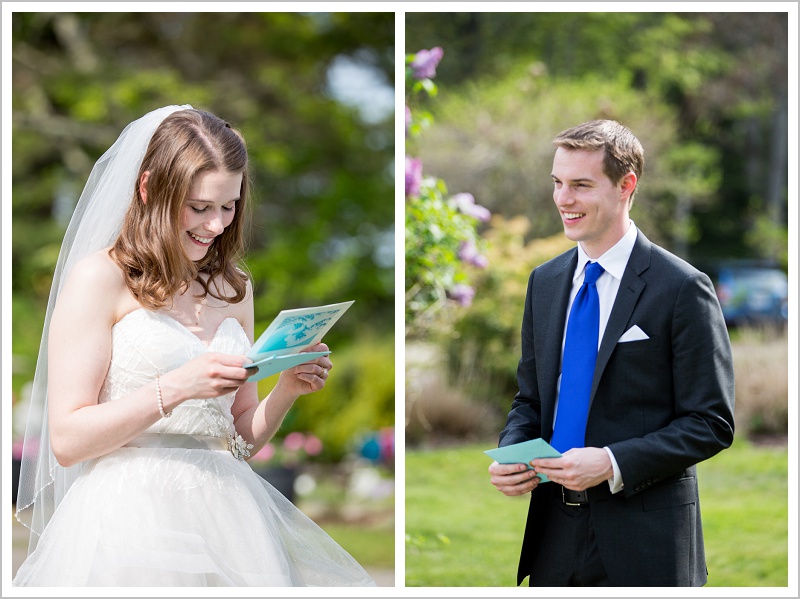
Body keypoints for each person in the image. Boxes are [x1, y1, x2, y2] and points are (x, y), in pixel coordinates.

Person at [13, 105, 376, 587]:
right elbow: (68, 440)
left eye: (229, 206)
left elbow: (239, 440)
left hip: (230, 516)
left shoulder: (236, 288)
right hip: (128, 519)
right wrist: (176, 386)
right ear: (148, 189)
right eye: (199, 207)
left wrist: (287, 388)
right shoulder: (100, 278)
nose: (216, 224)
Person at [488, 119, 735, 587]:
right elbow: (531, 400)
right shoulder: (544, 282)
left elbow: (711, 424)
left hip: (647, 541)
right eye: (558, 183)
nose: (563, 199)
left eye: (581, 185)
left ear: (627, 186)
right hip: (552, 536)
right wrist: (510, 454)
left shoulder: (682, 288)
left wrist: (612, 462)